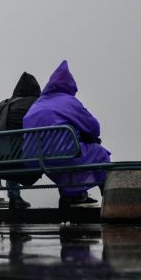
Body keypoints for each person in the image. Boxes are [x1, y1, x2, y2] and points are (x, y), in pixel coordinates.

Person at [22, 60, 112, 208]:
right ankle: (108, 198)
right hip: (64, 155)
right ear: (69, 85)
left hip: (35, 158)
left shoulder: (37, 104)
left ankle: (69, 196)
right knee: (100, 153)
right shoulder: (69, 101)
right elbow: (94, 127)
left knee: (62, 158)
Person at [0, 72, 42, 210]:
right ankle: (72, 194)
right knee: (58, 153)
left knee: (9, 152)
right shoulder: (37, 104)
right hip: (28, 159)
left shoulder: (4, 104)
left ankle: (14, 197)